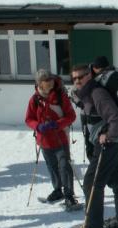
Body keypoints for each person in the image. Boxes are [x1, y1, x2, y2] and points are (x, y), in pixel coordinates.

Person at [70, 64, 118, 228]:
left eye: (81, 77)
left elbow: (116, 120)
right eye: (74, 78)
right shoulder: (88, 93)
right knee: (117, 178)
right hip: (114, 141)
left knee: (91, 182)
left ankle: (93, 227)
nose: (77, 81)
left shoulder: (97, 93)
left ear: (89, 75)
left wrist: (107, 135)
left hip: (109, 142)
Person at [25, 69, 80, 210]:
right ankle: (57, 190)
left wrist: (57, 124)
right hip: (44, 140)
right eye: (46, 80)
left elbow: (71, 116)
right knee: (52, 166)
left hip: (60, 138)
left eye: (51, 79)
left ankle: (69, 195)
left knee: (64, 166)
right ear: (39, 83)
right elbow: (29, 119)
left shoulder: (60, 96)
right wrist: (38, 126)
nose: (50, 82)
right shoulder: (35, 99)